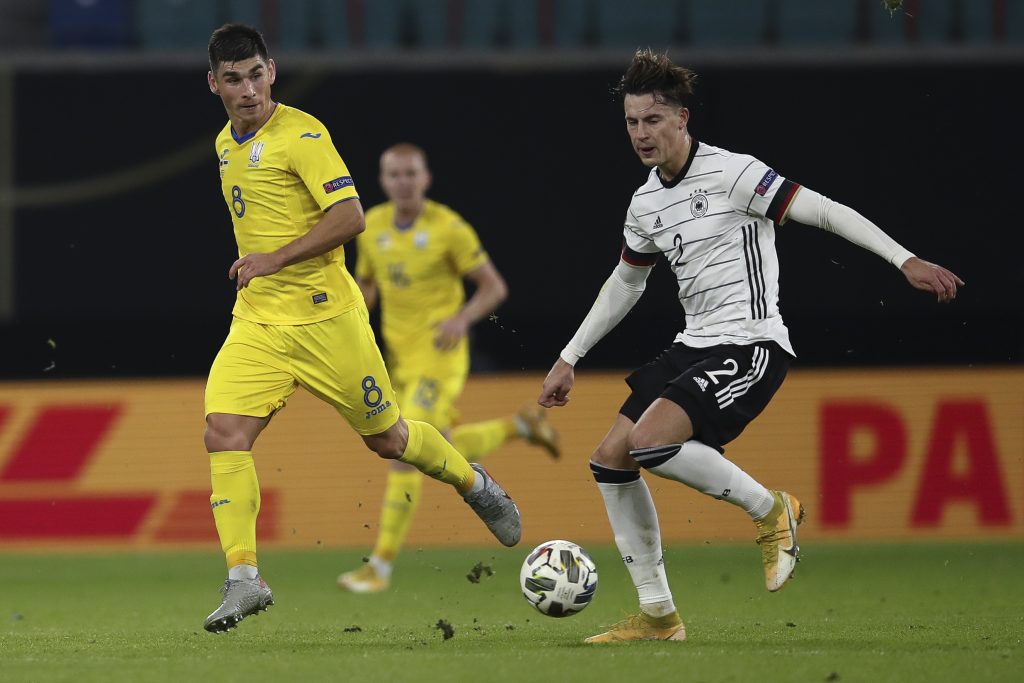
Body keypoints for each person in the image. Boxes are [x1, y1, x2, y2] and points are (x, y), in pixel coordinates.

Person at [538, 48, 963, 644]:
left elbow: (825, 211)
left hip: (752, 342)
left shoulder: (735, 173)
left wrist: (904, 259)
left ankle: (771, 511)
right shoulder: (645, 203)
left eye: (653, 120)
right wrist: (569, 356)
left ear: (683, 119)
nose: (641, 134)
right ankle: (659, 617)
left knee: (650, 441)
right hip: (693, 345)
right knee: (611, 459)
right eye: (632, 122)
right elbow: (626, 282)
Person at [201, 23, 522, 633]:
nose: (248, 90)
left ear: (272, 71)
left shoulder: (303, 134)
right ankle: (244, 577)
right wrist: (265, 272)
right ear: (213, 83)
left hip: (327, 320)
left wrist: (273, 259)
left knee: (388, 440)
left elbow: (350, 217)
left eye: (256, 74)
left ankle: (474, 482)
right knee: (223, 433)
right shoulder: (226, 142)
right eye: (233, 79)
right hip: (260, 322)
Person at [337, 143, 560, 593]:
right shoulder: (372, 225)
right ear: (383, 181)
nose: (403, 182)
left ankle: (379, 566)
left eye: (411, 173)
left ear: (425, 178)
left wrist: (462, 317)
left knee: (402, 448)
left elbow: (494, 288)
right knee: (437, 444)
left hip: (440, 356)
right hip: (396, 358)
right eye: (394, 174)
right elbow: (366, 286)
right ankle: (520, 426)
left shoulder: (448, 227)